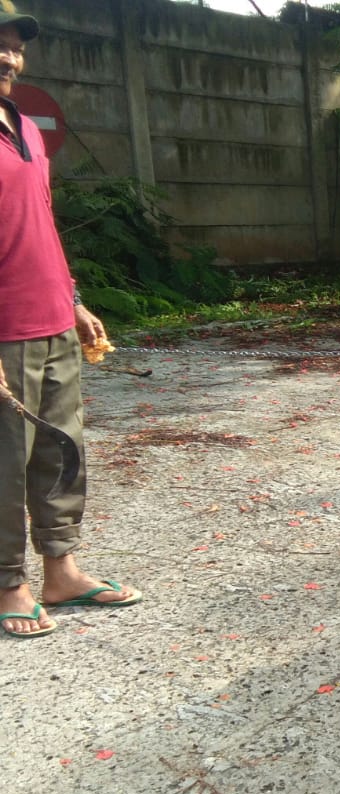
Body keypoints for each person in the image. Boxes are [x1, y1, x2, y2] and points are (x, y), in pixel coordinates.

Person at [0, 6, 141, 640]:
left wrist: (74, 298)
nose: (8, 58)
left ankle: (60, 571)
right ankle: (9, 582)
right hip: (4, 330)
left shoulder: (25, 127)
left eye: (14, 49)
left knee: (62, 449)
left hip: (51, 318)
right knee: (4, 460)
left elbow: (40, 224)